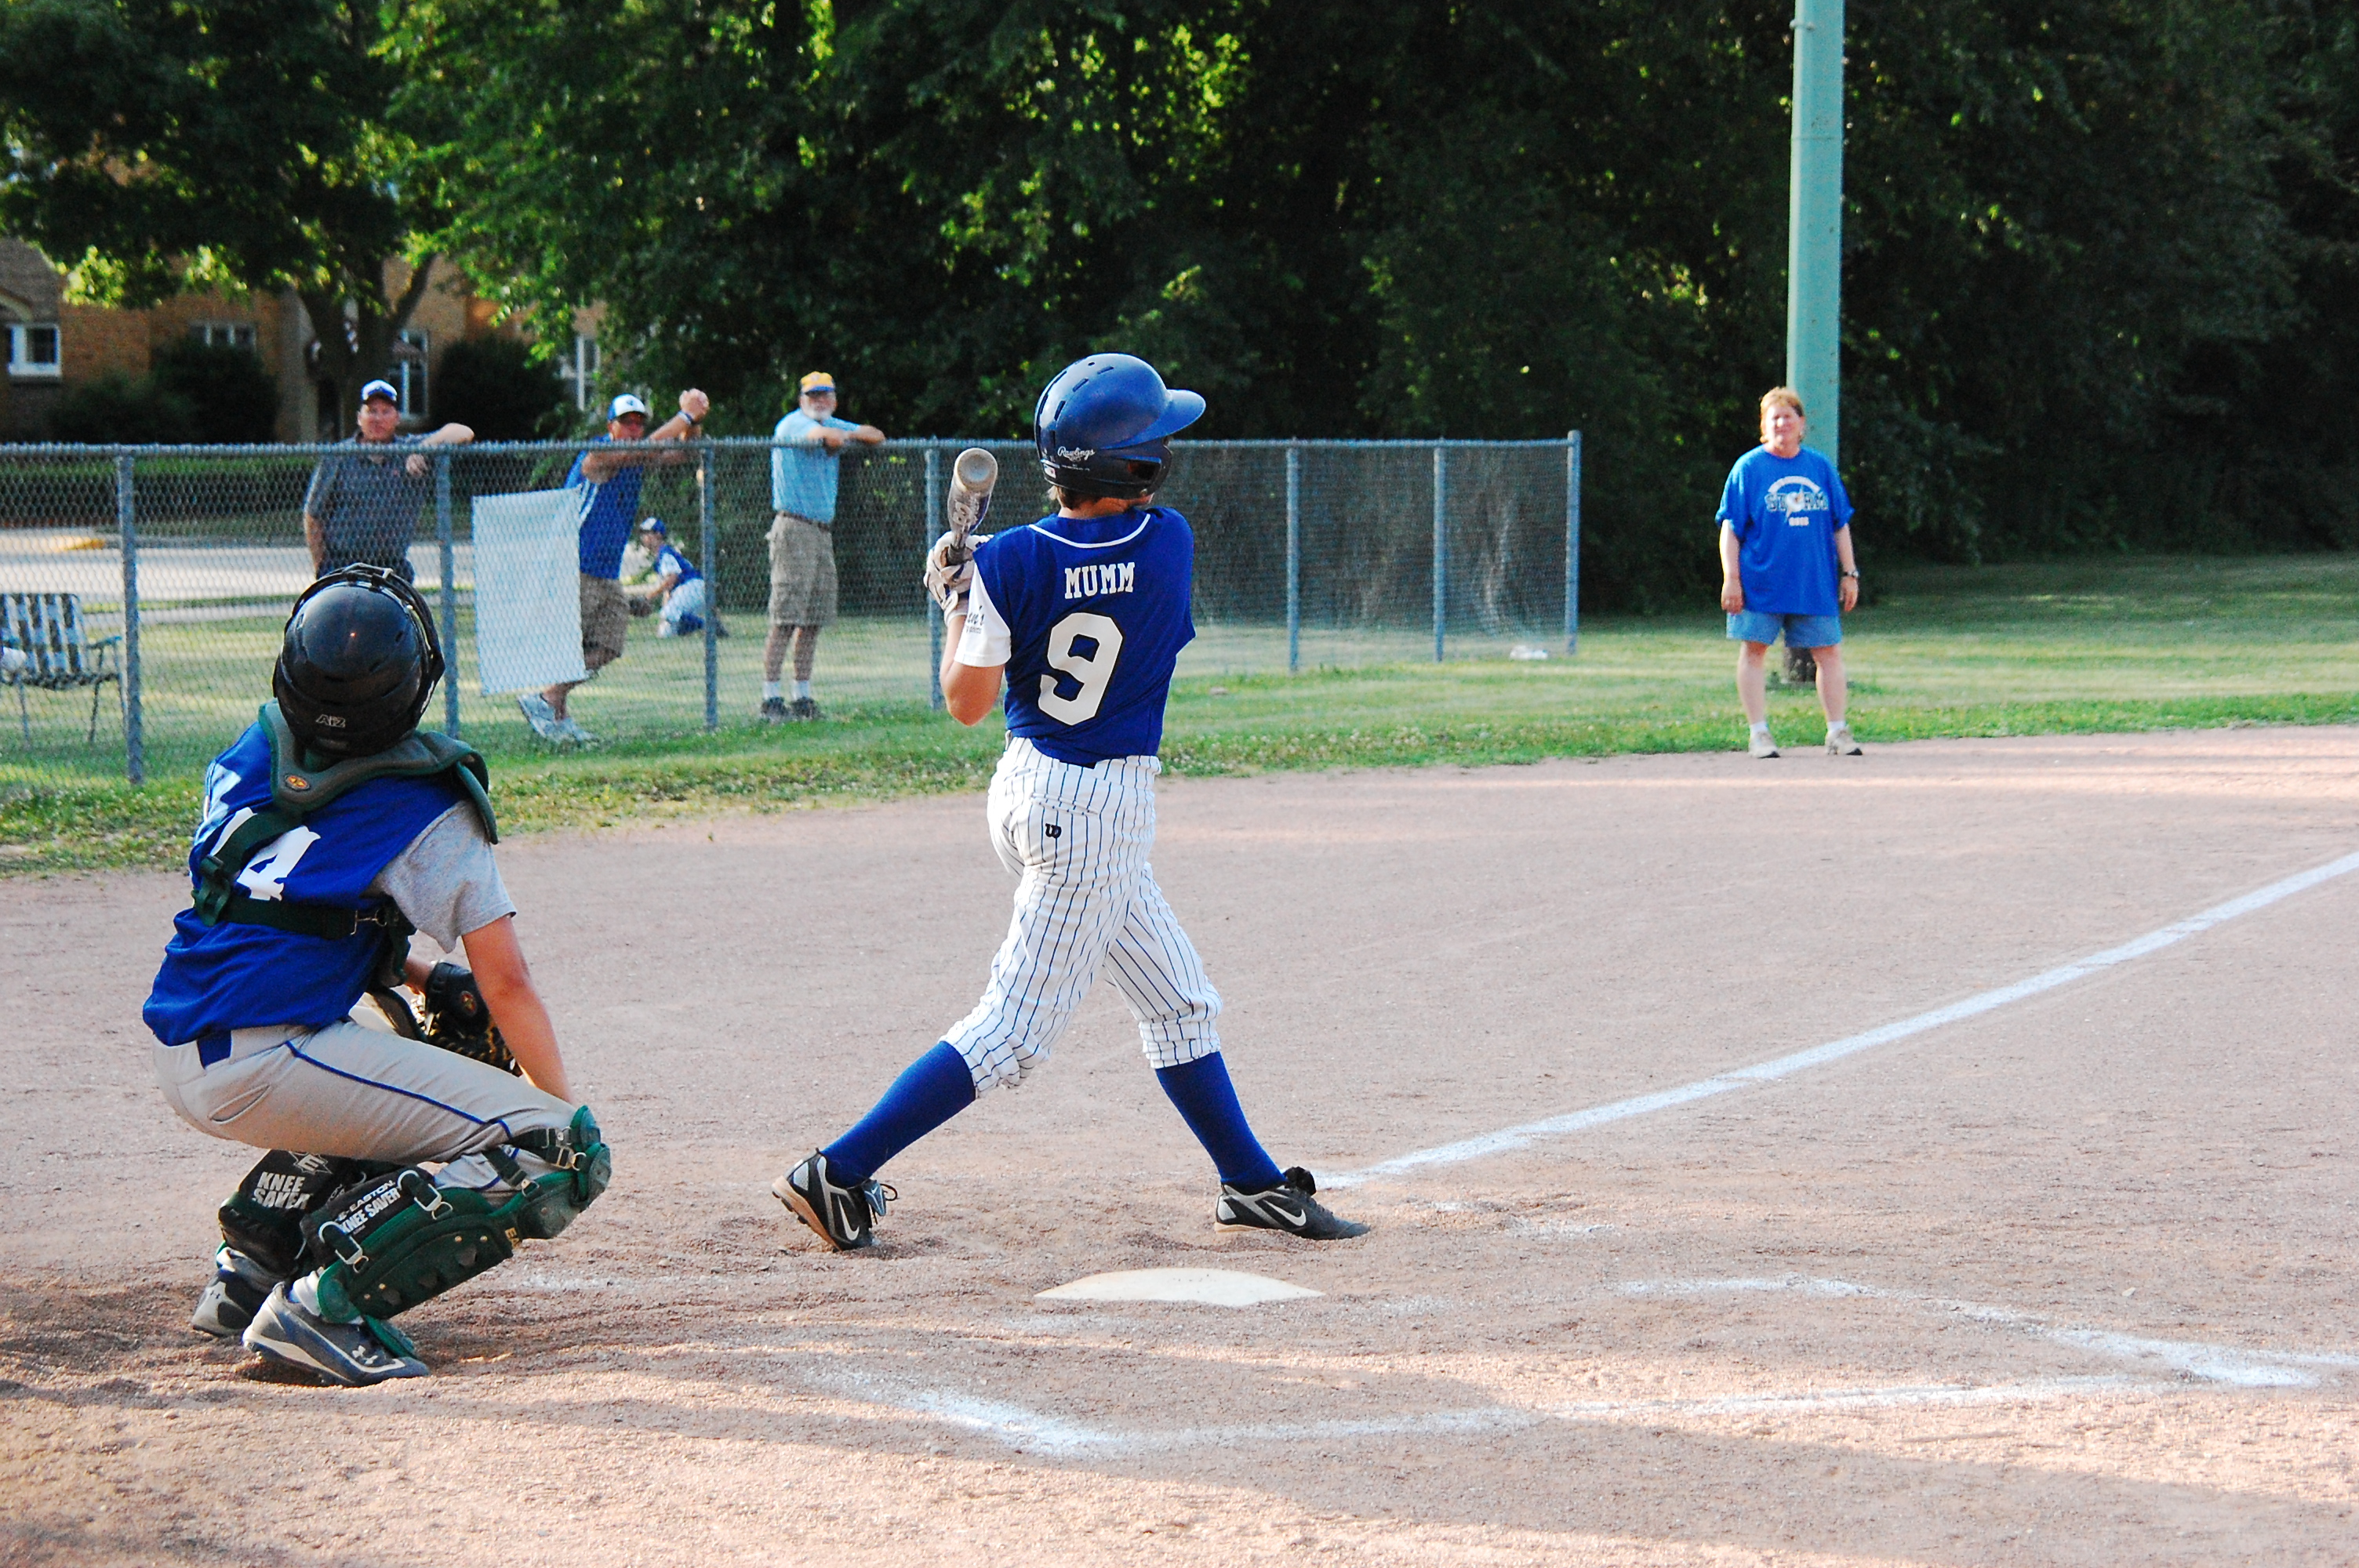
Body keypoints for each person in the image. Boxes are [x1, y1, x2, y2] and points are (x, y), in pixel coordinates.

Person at [773, 353, 1368, 1251]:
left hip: (1026, 789)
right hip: (1094, 814)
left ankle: (1249, 1183)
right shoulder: (1168, 541)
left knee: (1179, 1004)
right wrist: (982, 579)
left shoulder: (1011, 561)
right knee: (1012, 1030)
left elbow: (966, 701)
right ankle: (838, 1169)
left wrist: (958, 600)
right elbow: (1095, 560)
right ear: (1135, 468)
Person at [142, 566, 610, 1387]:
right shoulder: (421, 801)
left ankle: (254, 1262)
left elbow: (282, 911)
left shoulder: (257, 750)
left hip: (194, 1041)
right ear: (411, 688)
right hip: (267, 1060)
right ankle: (320, 1307)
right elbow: (508, 983)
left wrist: (421, 973)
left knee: (444, 1023)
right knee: (555, 1148)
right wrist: (558, 1117)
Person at [518, 389, 710, 744]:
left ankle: (550, 700)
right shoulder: (600, 453)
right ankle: (553, 710)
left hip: (605, 571)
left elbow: (685, 453)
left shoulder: (638, 457)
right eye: (626, 422)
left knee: (608, 646)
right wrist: (683, 415)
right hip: (575, 564)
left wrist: (694, 423)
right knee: (572, 646)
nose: (634, 429)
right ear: (611, 426)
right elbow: (644, 450)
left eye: (639, 423)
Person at [1717, 386, 1863, 758]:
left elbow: (1840, 524)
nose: (1781, 424)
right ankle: (1759, 734)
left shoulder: (1819, 467)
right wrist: (1731, 578)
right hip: (1761, 581)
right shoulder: (1749, 468)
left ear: (1802, 424)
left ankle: (1837, 731)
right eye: (1774, 418)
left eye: (1788, 416)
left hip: (1813, 581)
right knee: (1754, 650)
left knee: (1828, 653)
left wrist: (1850, 573)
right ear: (1764, 426)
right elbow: (1731, 528)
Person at [762, 371, 883, 721]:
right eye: (813, 395)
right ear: (802, 400)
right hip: (794, 528)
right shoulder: (793, 424)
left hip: (821, 532)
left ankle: (802, 697)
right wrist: (840, 435)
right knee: (785, 617)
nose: (819, 401)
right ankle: (770, 698)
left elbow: (876, 435)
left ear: (834, 399)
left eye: (825, 395)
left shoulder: (832, 422)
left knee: (814, 618)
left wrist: (844, 434)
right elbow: (822, 437)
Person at [302, 379, 474, 581]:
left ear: (397, 418)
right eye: (372, 411)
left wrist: (423, 449)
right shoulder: (338, 457)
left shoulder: (410, 449)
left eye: (385, 412)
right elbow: (313, 515)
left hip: (391, 565)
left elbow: (463, 432)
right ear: (359, 418)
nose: (378, 419)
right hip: (343, 564)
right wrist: (321, 567)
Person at [635, 517, 715, 637]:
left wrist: (648, 597)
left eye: (647, 533)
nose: (643, 537)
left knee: (669, 613)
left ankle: (709, 626)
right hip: (688, 590)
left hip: (691, 587)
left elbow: (671, 579)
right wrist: (664, 610)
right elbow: (668, 589)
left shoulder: (665, 553)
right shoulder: (662, 555)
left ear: (658, 535)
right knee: (665, 633)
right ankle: (701, 629)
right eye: (643, 534)